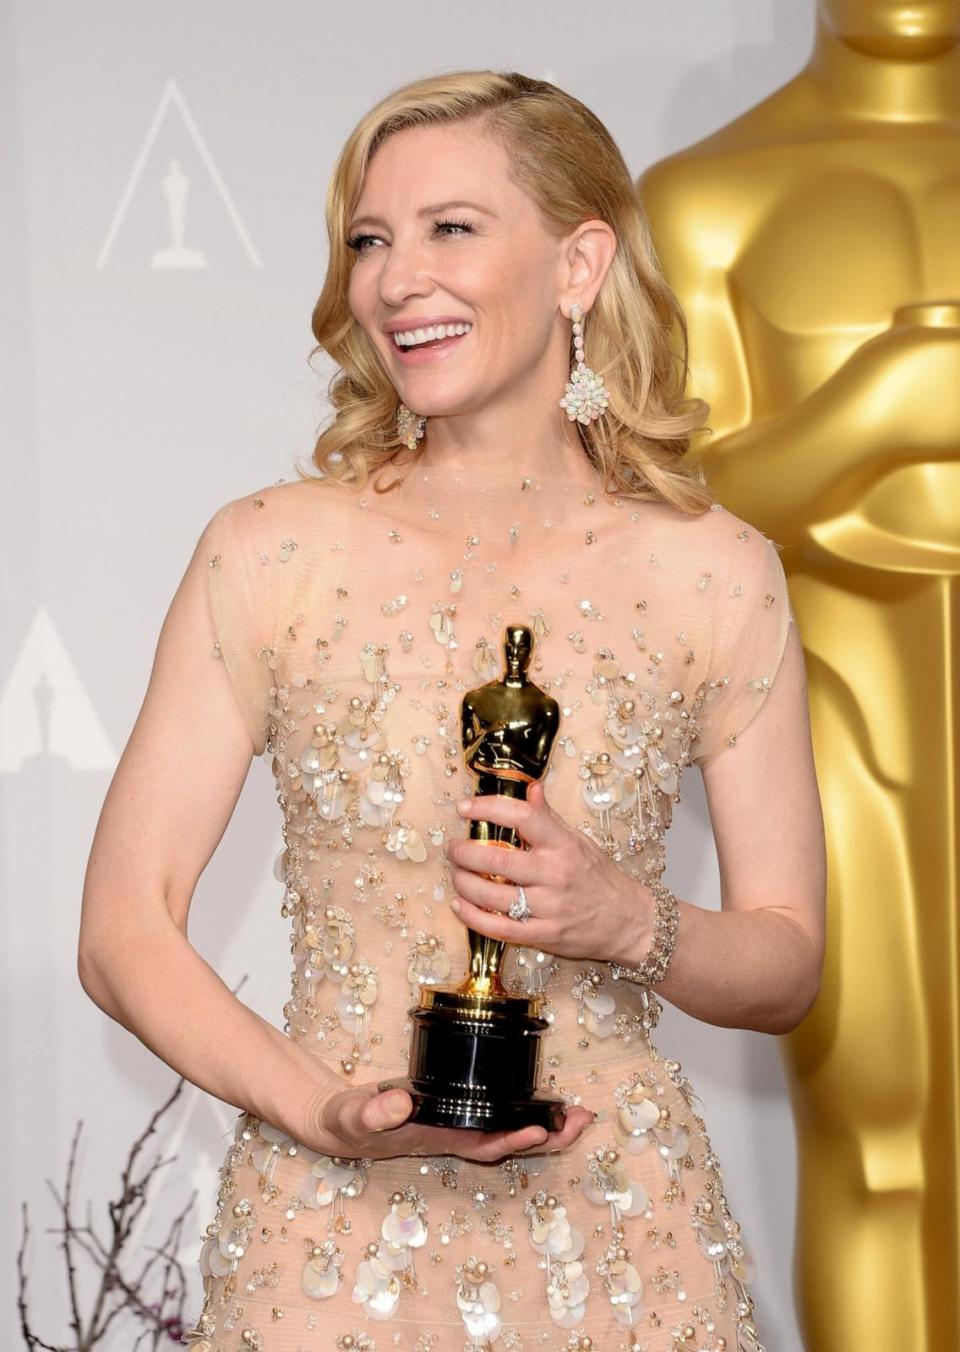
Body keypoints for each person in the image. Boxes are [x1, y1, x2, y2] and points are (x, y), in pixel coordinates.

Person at [78, 69, 826, 1352]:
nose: (394, 278)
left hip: (624, 1248)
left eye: (451, 229)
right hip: (327, 1246)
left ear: (580, 262)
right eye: (370, 240)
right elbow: (122, 930)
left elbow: (787, 958)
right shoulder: (270, 551)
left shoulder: (714, 567)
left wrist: (627, 917)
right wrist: (320, 1108)